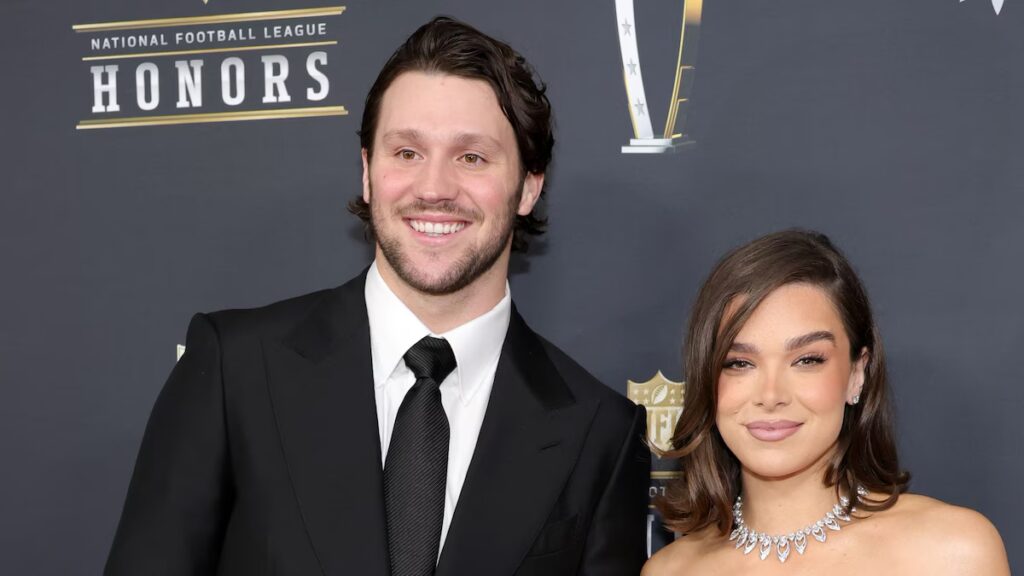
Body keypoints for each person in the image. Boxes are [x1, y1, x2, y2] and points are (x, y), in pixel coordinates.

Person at [104, 16, 649, 576]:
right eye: (407, 152)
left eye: (471, 157)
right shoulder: (235, 370)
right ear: (367, 172)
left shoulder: (600, 433)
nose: (434, 188)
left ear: (529, 187)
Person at [643, 230, 1009, 575]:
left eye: (807, 360)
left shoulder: (951, 553)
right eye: (739, 363)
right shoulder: (670, 571)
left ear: (856, 374)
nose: (771, 396)